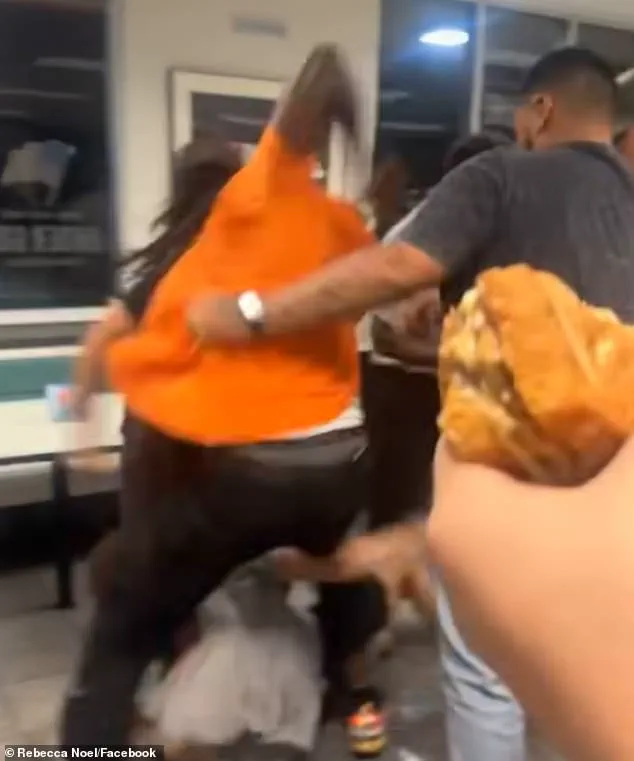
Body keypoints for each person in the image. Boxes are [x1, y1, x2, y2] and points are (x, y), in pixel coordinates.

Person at [188, 47, 634, 761]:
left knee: (485, 673)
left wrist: (250, 312)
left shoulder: (502, 174)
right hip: (620, 482)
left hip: (515, 474)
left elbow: (396, 267)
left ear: (540, 110)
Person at [62, 45, 387, 752]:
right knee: (339, 575)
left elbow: (99, 341)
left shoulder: (189, 252)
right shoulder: (310, 225)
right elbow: (371, 292)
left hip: (230, 468)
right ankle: (360, 707)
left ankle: (105, 732)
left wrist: (77, 419)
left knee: (129, 604)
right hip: (337, 458)